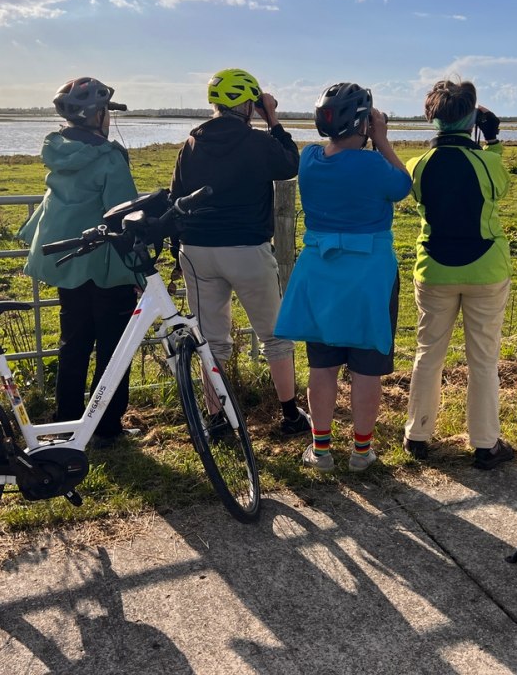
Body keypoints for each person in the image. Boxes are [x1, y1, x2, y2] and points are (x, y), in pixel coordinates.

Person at [275, 83, 411, 472]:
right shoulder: (372, 165)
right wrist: (382, 141)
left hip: (320, 272)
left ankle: (320, 450)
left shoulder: (310, 158)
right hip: (370, 275)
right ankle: (361, 451)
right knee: (367, 366)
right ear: (363, 122)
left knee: (322, 365)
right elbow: (403, 185)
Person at [169, 68, 309, 436]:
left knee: (211, 340)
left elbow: (175, 196)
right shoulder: (257, 142)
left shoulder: (192, 143)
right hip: (246, 248)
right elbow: (289, 165)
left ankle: (217, 418)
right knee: (274, 335)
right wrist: (273, 120)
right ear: (249, 103)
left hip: (197, 249)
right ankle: (290, 415)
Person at [17, 77, 139, 449]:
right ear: (96, 114)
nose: (109, 119)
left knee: (74, 342)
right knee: (114, 347)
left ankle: (66, 422)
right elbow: (123, 213)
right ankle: (106, 426)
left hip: (68, 262)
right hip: (105, 264)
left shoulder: (58, 149)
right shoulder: (108, 156)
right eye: (106, 112)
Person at [403, 78, 514, 470]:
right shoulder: (488, 162)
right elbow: (500, 185)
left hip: (433, 269)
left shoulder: (417, 166)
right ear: (472, 117)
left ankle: (417, 435)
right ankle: (485, 444)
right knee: (483, 359)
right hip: (486, 269)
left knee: (428, 353)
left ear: (431, 117)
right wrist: (494, 138)